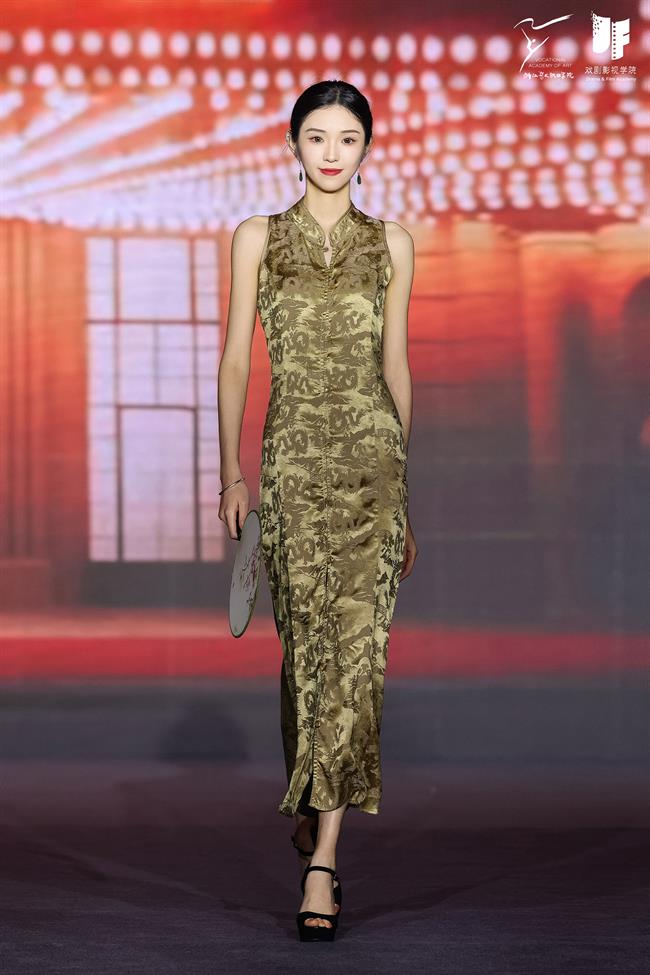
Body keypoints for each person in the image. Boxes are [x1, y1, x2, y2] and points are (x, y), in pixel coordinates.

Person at [218, 80, 417, 941]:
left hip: (374, 469)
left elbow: (396, 364)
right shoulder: (257, 238)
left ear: (367, 148)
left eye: (347, 138)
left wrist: (405, 495)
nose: (332, 152)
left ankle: (324, 862)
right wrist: (231, 473)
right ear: (292, 145)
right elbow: (236, 360)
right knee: (305, 651)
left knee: (355, 658)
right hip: (293, 465)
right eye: (316, 137)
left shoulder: (393, 243)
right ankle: (310, 794)